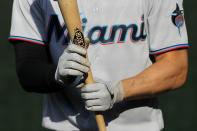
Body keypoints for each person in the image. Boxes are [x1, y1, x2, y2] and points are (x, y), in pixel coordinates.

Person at [9, 0, 188, 130]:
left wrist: (117, 91)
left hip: (137, 126)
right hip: (65, 126)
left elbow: (175, 68)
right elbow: (28, 69)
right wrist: (56, 75)